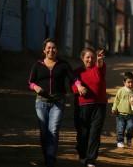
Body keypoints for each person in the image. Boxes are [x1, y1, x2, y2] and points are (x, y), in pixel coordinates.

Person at [28, 38, 86, 167]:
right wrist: (36, 87)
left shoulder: (63, 64)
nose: (51, 50)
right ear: (44, 50)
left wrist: (79, 86)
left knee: (53, 130)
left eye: (54, 48)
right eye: (48, 48)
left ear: (57, 50)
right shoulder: (37, 64)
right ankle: (47, 155)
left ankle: (50, 160)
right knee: (44, 132)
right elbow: (30, 82)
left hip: (57, 103)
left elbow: (74, 78)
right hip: (41, 102)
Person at [72, 48, 107, 167]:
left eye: (92, 57)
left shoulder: (98, 69)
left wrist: (100, 60)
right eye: (87, 57)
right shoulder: (77, 72)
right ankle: (82, 154)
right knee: (83, 133)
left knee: (95, 133)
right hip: (82, 106)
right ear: (82, 58)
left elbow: (101, 66)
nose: (90, 60)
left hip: (99, 105)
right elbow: (73, 87)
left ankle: (91, 160)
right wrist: (79, 88)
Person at [111, 71, 133, 148]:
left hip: (131, 114)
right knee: (120, 128)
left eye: (132, 82)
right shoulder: (121, 91)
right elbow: (116, 100)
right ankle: (120, 141)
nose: (130, 84)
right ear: (124, 82)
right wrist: (114, 108)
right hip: (120, 114)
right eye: (128, 82)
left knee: (131, 127)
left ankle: (129, 138)